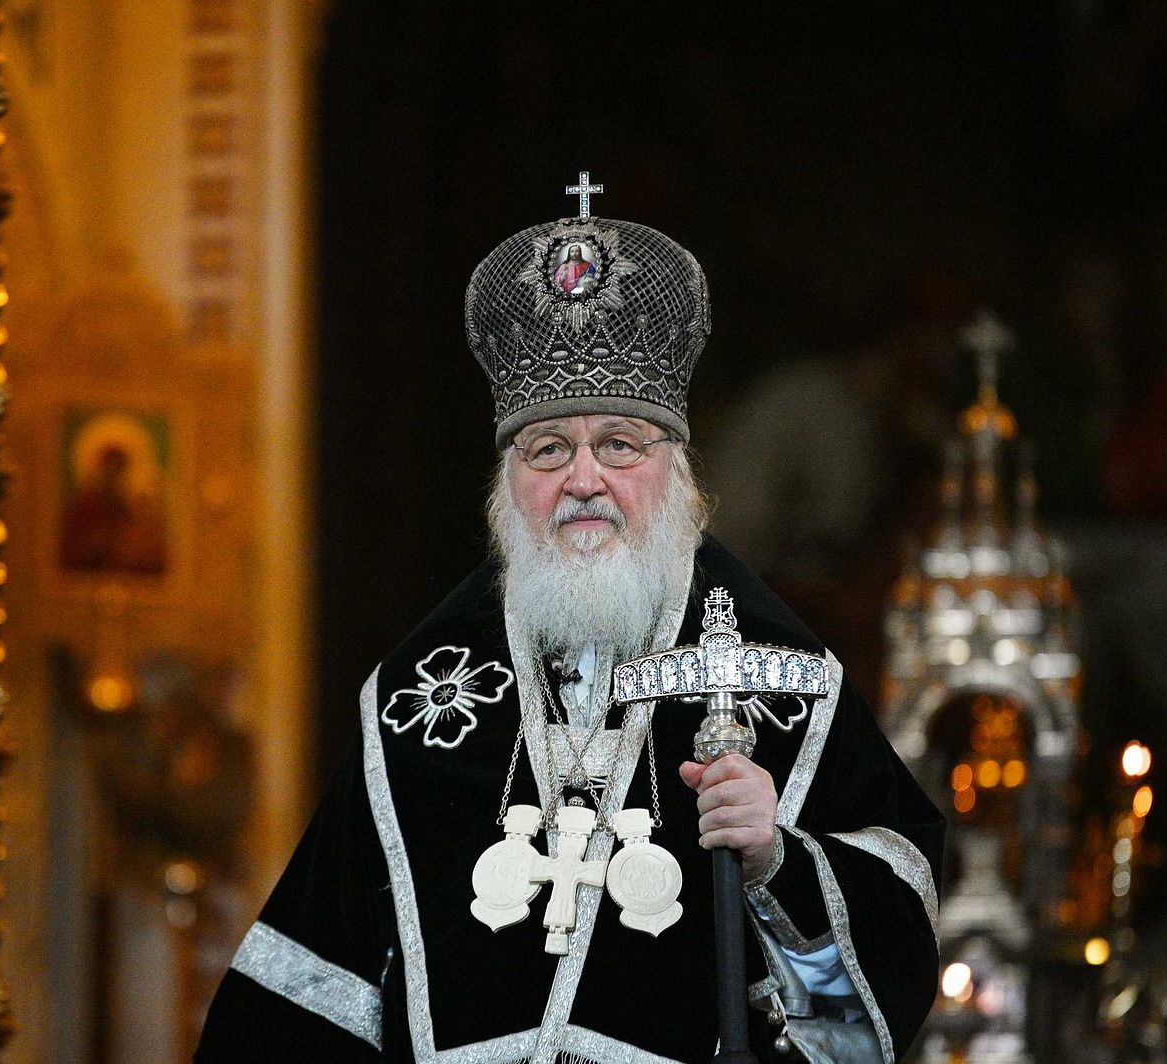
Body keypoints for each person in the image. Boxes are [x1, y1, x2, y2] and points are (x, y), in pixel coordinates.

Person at [197, 204, 943, 1063]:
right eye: (548, 449)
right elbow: (302, 999)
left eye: (620, 444)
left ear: (677, 470)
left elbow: (865, 1021)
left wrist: (778, 859)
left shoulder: (784, 684)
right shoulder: (413, 700)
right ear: (507, 481)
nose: (584, 479)